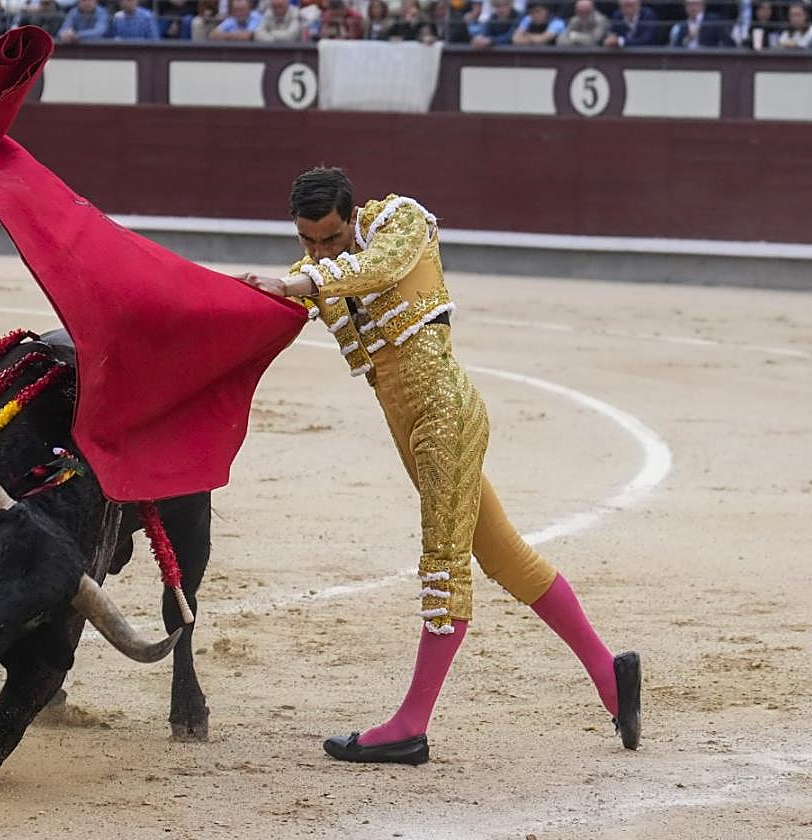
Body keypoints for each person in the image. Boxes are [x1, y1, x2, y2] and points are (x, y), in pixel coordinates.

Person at [237, 167, 641, 765]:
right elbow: (286, 294)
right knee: (506, 555)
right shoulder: (320, 269)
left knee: (444, 565)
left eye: (329, 237)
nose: (318, 251)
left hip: (444, 417)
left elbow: (371, 269)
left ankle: (410, 725)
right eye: (308, 242)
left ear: (351, 218)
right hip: (411, 432)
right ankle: (612, 677)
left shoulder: (403, 222)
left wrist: (300, 281)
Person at [668, 0, 734, 46]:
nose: (692, 8)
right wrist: (688, 38)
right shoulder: (682, 25)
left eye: (695, 4)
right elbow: (676, 46)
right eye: (689, 5)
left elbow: (727, 41)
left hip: (708, 59)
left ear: (702, 5)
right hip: (686, 60)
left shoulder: (713, 21)